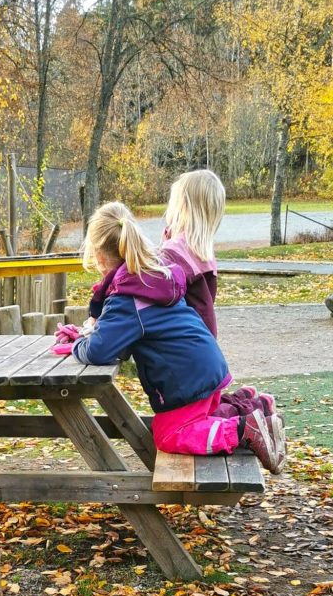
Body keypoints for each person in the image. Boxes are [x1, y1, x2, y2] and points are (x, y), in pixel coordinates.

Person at [57, 202, 286, 472]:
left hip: (188, 380)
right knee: (200, 418)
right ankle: (249, 406)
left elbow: (97, 351)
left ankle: (244, 430)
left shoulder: (127, 297)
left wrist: (79, 343)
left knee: (169, 434)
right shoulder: (151, 276)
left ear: (98, 254)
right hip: (202, 367)